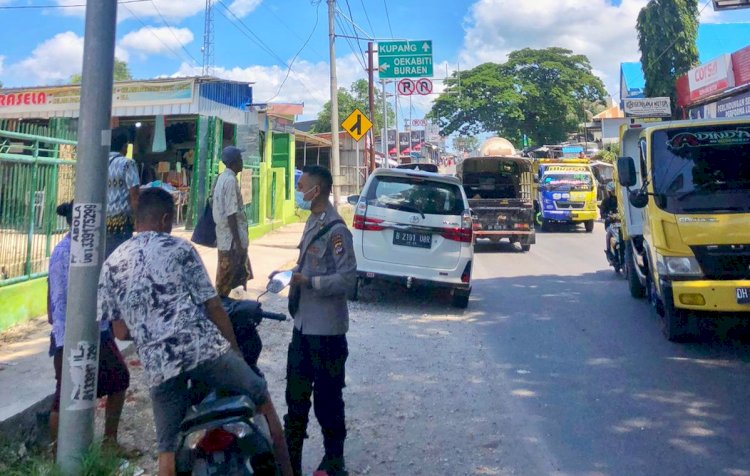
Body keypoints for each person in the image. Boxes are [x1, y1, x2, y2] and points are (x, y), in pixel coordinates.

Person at [98, 188, 291, 476]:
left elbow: (120, 330)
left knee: (166, 449)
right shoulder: (179, 248)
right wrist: (234, 351)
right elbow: (213, 306)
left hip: (161, 368)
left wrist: (150, 328)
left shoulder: (111, 263)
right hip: (204, 352)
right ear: (165, 220)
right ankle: (287, 471)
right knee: (262, 398)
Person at [275, 165, 357, 476]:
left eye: (303, 187)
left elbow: (348, 279)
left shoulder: (336, 231)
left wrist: (311, 283)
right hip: (303, 327)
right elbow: (306, 264)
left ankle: (334, 461)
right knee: (295, 398)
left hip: (327, 333)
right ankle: (290, 464)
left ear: (318, 189)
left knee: (327, 401)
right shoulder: (312, 220)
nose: (299, 192)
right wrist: (287, 277)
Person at [47, 202, 131, 455]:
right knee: (68, 392)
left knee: (114, 379)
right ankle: (63, 451)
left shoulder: (82, 249)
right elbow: (63, 300)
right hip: (81, 331)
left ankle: (101, 444)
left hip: (88, 329)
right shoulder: (68, 252)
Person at [212, 146, 253, 297]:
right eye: (240, 159)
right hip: (231, 242)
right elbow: (231, 214)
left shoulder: (223, 178)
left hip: (227, 238)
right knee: (225, 281)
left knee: (238, 277)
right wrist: (238, 243)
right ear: (234, 162)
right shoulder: (229, 181)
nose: (242, 162)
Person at [106, 130, 140, 257]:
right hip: (121, 222)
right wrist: (138, 220)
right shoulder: (127, 164)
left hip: (102, 221)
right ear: (125, 146)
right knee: (122, 258)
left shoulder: (99, 164)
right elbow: (134, 195)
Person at [600, 182, 619, 260]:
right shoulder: (605, 201)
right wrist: (607, 217)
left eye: (615, 190)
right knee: (608, 235)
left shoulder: (620, 200)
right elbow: (602, 212)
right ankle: (608, 251)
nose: (613, 192)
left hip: (620, 222)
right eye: (612, 191)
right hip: (610, 223)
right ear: (609, 192)